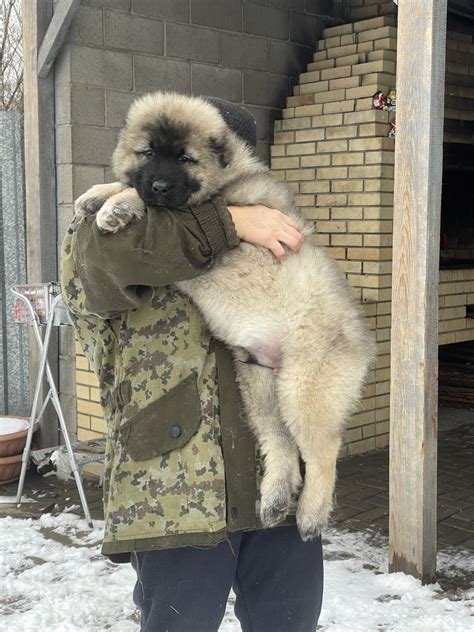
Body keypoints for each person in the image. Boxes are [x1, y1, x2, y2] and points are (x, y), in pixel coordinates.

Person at [61, 100, 323, 632]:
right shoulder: (104, 229)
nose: (165, 178)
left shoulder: (267, 229)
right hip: (175, 489)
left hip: (275, 480)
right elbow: (118, 255)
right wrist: (231, 222)